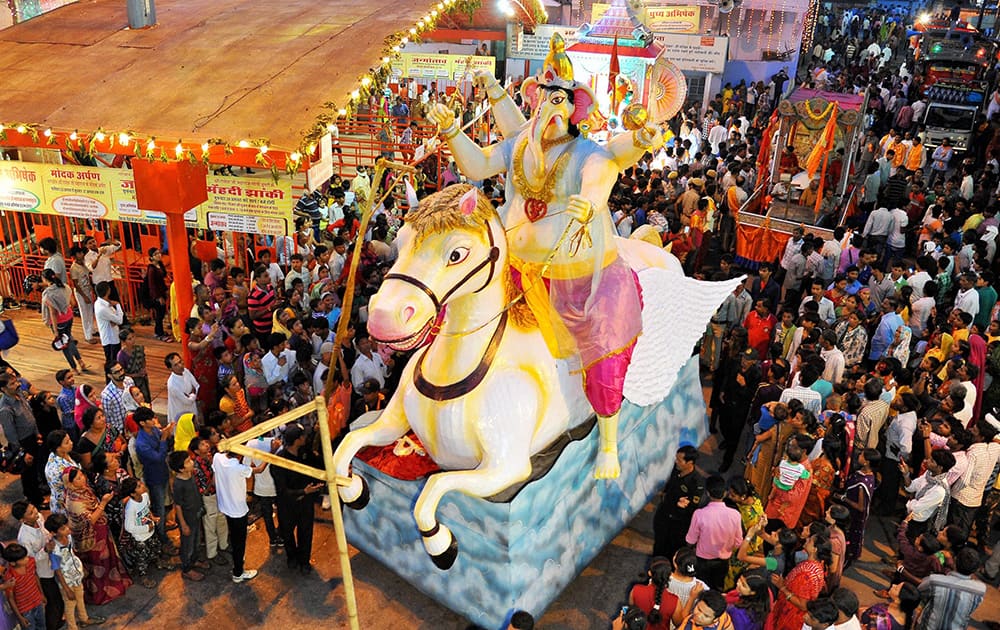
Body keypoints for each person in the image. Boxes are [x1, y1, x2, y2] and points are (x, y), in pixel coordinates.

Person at [61, 467, 132, 604]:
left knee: (107, 560)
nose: (83, 479)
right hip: (90, 538)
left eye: (82, 475)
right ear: (70, 483)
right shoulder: (74, 501)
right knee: (98, 564)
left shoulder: (83, 490)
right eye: (78, 478)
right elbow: (90, 520)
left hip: (100, 531)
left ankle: (113, 583)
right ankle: (100, 593)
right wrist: (103, 503)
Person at [271, 423, 323, 574]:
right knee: (287, 533)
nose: (305, 438)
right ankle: (292, 557)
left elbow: (317, 465)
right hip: (287, 504)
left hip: (306, 503)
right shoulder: (279, 461)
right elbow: (282, 490)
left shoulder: (305, 452)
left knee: (305, 532)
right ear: (297, 440)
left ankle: (304, 561)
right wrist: (303, 491)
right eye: (303, 436)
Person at [44, 514, 106, 630]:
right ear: (54, 533)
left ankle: (84, 619)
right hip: (67, 582)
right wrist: (66, 589)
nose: (67, 529)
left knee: (80, 598)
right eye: (63, 529)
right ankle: (72, 627)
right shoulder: (54, 549)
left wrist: (81, 568)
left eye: (66, 525)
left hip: (76, 576)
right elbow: (57, 570)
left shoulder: (68, 538)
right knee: (70, 606)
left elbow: (72, 554)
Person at [213, 448, 265, 583]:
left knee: (235, 538)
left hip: (225, 505)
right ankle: (238, 573)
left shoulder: (218, 457)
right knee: (239, 543)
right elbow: (259, 470)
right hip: (237, 510)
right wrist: (268, 456)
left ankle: (238, 565)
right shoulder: (237, 467)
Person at [686, 475, 743, 591]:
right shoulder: (735, 515)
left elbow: (690, 540)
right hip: (723, 561)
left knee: (699, 588)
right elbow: (738, 542)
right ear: (725, 493)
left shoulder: (699, 514)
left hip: (702, 560)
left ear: (707, 493)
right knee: (717, 588)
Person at [12, 501, 63, 630]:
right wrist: (45, 550)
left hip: (52, 562)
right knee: (52, 601)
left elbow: (45, 531)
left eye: (34, 508)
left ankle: (56, 621)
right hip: (42, 572)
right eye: (31, 512)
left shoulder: (38, 518)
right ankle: (53, 625)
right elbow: (29, 561)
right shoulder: (24, 538)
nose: (35, 512)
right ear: (22, 519)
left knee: (57, 599)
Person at [133, 406, 175, 551]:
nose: (154, 421)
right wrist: (163, 439)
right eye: (150, 419)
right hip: (155, 477)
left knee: (164, 503)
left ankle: (162, 529)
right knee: (159, 508)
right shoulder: (141, 443)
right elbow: (158, 457)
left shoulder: (154, 431)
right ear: (142, 423)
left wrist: (166, 434)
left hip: (163, 472)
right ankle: (161, 536)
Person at [0, 372, 44, 507]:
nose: (17, 384)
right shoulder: (5, 409)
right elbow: (11, 434)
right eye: (12, 384)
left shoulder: (19, 396)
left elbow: (29, 414)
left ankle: (37, 490)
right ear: (3, 389)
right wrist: (23, 452)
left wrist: (37, 433)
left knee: (35, 467)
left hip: (32, 437)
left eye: (16, 381)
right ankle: (35, 499)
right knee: (28, 472)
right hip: (23, 443)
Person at [653, 446, 704, 560]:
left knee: (672, 550)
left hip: (678, 523)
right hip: (664, 514)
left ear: (689, 462)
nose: (676, 462)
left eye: (679, 460)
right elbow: (670, 484)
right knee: (659, 545)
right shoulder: (677, 469)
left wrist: (681, 506)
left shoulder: (697, 483)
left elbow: (693, 507)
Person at [914, 548, 986, 630]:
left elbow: (920, 590)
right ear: (976, 569)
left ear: (955, 560)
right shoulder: (980, 590)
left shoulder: (935, 581)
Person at [190, 436, 230, 566]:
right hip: (209, 497)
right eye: (202, 444)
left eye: (205, 442)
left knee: (222, 520)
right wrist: (215, 475)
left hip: (219, 493)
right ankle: (212, 553)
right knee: (210, 525)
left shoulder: (212, 458)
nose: (206, 445)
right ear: (196, 451)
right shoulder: (196, 466)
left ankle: (224, 545)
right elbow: (204, 490)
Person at [119, 478, 163, 589]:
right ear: (132, 493)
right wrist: (146, 527)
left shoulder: (145, 496)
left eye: (141, 484)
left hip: (150, 532)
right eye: (139, 486)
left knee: (155, 547)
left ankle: (158, 561)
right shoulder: (131, 507)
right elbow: (129, 527)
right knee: (141, 558)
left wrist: (152, 518)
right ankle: (143, 576)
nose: (143, 486)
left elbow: (147, 509)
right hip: (140, 538)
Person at [41, 269, 87, 374]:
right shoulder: (65, 287)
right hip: (69, 317)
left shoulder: (48, 294)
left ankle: (74, 368)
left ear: (44, 279)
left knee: (64, 344)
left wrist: (56, 331)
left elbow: (53, 313)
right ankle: (81, 362)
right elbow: (73, 303)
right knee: (69, 339)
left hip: (59, 322)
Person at [842, 448, 879, 567]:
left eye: (862, 455)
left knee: (849, 536)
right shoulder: (869, 475)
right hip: (853, 513)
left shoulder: (862, 483)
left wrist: (843, 498)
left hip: (854, 515)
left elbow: (860, 507)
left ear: (867, 462)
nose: (859, 456)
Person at [628, 557, 686, 629]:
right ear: (670, 575)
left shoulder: (636, 590)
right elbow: (679, 624)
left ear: (650, 573)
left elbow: (631, 609)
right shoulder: (675, 601)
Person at [1, 543, 46, 630]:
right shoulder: (10, 577)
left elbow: (35, 577)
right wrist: (20, 617)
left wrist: (41, 594)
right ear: (13, 563)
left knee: (42, 627)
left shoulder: (30, 563)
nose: (27, 559)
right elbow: (10, 598)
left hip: (37, 602)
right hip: (25, 610)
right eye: (23, 558)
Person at [43, 430, 79, 515]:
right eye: (67, 442)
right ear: (58, 448)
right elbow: (65, 493)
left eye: (69, 440)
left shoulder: (64, 453)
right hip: (68, 504)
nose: (71, 443)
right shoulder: (56, 470)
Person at [68, 246, 98, 345]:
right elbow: (76, 284)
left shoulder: (83, 264)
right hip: (81, 293)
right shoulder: (74, 268)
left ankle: (92, 330)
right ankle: (88, 336)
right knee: (85, 313)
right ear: (75, 256)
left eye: (81, 253)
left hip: (87, 290)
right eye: (79, 253)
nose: (81, 255)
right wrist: (84, 296)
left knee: (90, 311)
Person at [93, 281, 123, 375]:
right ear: (108, 291)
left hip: (111, 336)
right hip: (111, 339)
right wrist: (118, 305)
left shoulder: (102, 303)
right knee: (112, 363)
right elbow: (119, 320)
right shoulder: (103, 308)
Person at [164, 352, 198, 423]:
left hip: (192, 409)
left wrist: (191, 394)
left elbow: (196, 386)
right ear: (170, 368)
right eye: (176, 365)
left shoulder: (186, 371)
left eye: (180, 361)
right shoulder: (172, 384)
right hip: (180, 413)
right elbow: (187, 401)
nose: (180, 365)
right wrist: (193, 393)